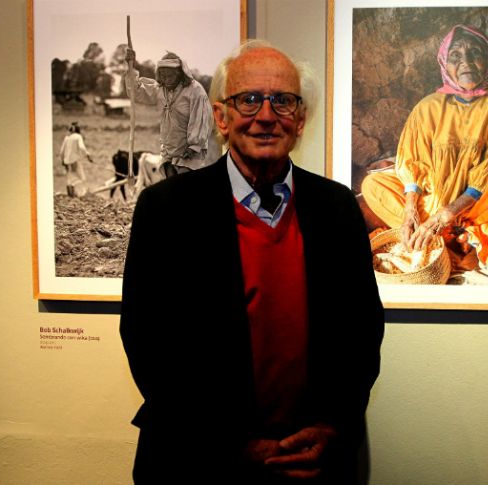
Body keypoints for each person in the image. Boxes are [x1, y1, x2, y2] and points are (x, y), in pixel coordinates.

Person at [120, 40, 384, 484]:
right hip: (195, 462)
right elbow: (148, 341)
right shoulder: (167, 209)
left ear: (300, 121)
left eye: (283, 101)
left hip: (313, 463)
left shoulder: (336, 207)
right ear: (221, 117)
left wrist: (332, 425)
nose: (266, 116)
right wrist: (229, 444)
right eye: (249, 100)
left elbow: (361, 330)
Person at [360, 24, 488, 277]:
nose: (466, 62)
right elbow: (413, 161)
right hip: (431, 203)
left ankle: (461, 236)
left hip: (479, 203)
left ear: (487, 60)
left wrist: (449, 212)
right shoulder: (428, 106)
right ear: (445, 64)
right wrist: (411, 209)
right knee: (373, 186)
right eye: (456, 56)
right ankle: (442, 237)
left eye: (474, 53)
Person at [124, 49, 214, 179]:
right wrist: (131, 66)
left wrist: (194, 146)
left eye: (170, 76)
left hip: (189, 152)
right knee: (172, 190)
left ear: (179, 73)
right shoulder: (160, 90)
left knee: (185, 189)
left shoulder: (195, 91)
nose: (166, 80)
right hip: (168, 150)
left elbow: (200, 119)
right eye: (163, 76)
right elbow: (135, 91)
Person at [58, 121, 93, 197]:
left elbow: (61, 152)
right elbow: (81, 147)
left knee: (69, 178)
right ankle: (78, 191)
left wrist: (62, 161)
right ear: (78, 130)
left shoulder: (67, 138)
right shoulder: (78, 137)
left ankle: (71, 195)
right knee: (82, 178)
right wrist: (88, 155)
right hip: (75, 161)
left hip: (67, 162)